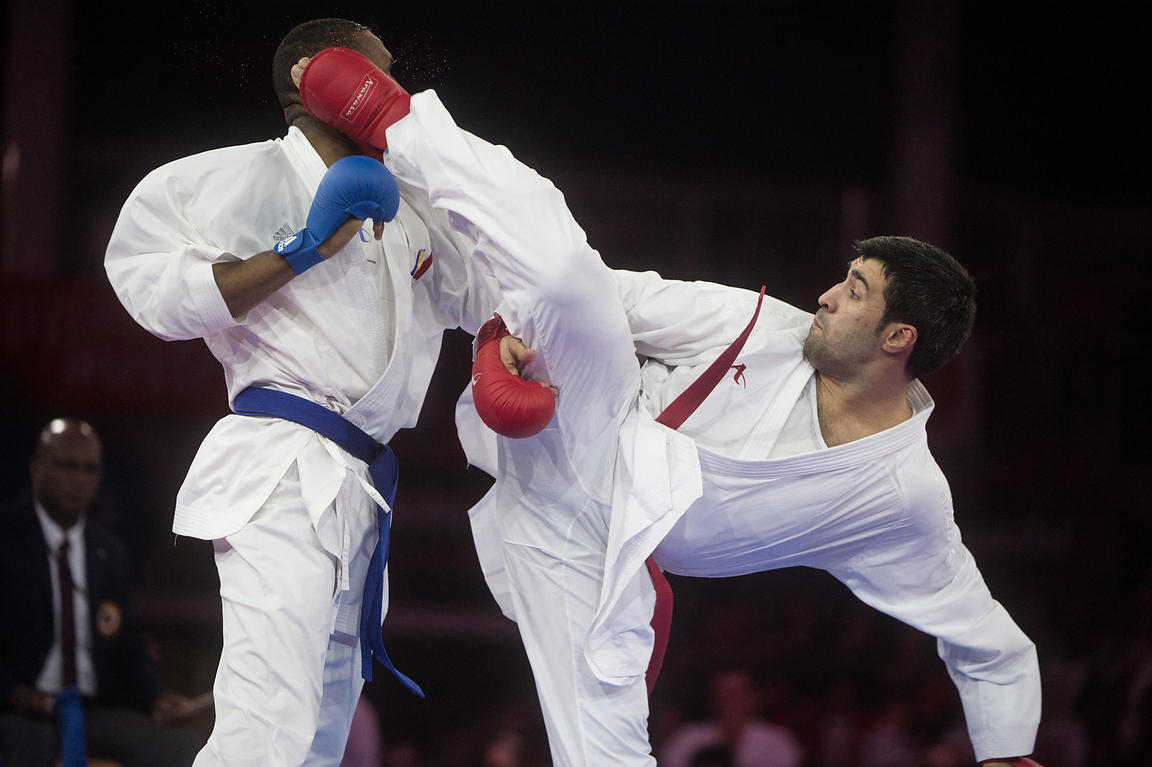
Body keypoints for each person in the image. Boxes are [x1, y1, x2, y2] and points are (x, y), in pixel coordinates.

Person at [294, 49, 1044, 767]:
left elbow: (977, 625)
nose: (826, 294)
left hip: (593, 554)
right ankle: (394, 122)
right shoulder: (766, 327)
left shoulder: (901, 492)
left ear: (898, 338)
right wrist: (503, 335)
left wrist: (1006, 744)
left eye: (854, 291)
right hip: (586, 419)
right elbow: (610, 300)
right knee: (563, 276)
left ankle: (428, 240)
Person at [103, 18, 501, 767]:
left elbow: (488, 291)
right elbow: (150, 286)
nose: (392, 93)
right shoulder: (232, 178)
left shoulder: (407, 205)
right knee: (268, 725)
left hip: (363, 485)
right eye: (376, 73)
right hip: (282, 464)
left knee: (321, 736)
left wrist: (514, 327)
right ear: (313, 77)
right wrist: (299, 251)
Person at [0, 418, 204, 766]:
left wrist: (154, 697)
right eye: (67, 466)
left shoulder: (109, 552)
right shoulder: (6, 537)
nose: (79, 480)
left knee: (179, 747)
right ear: (37, 467)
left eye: (90, 469)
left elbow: (126, 645)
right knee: (29, 748)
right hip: (18, 707)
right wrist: (15, 693)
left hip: (91, 708)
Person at [659, 667, 802, 767]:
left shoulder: (779, 742)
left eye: (738, 694)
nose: (732, 701)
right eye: (724, 694)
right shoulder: (687, 739)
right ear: (713, 699)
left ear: (754, 698)